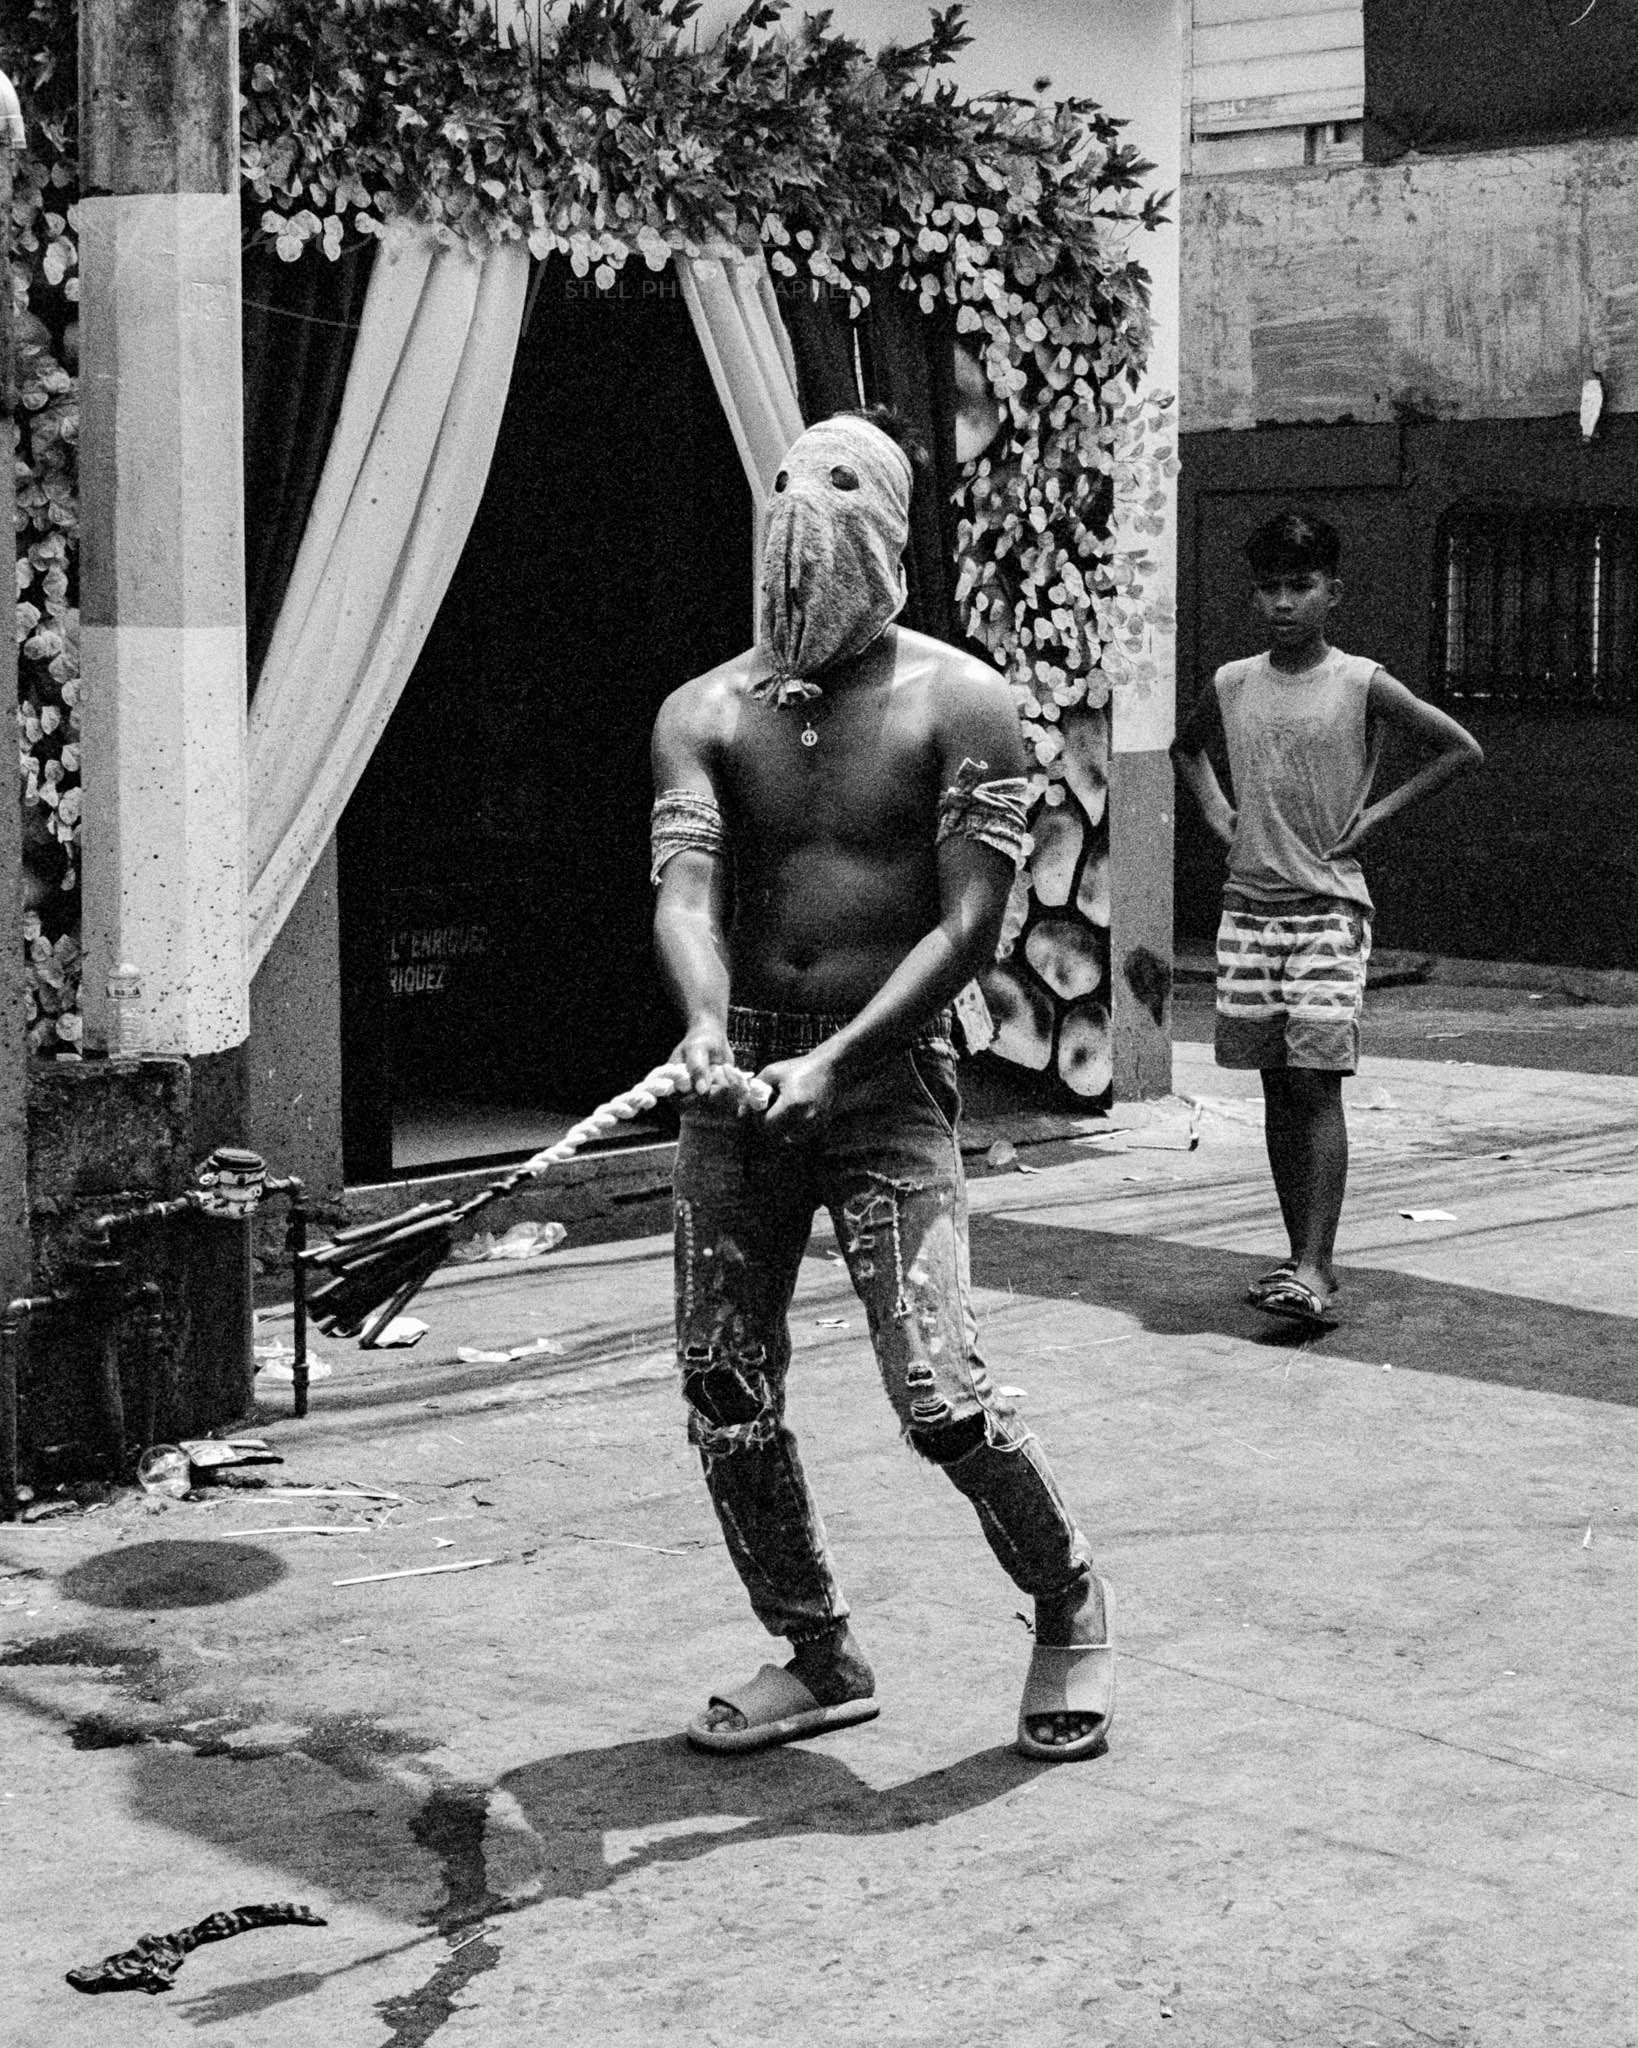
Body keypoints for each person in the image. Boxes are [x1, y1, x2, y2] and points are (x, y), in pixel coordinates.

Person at [650, 408, 1112, 1763]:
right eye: (782, 508)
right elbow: (684, 888)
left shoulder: (959, 702)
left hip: (887, 1075)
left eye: (831, 515)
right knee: (724, 1389)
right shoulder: (703, 711)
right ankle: (817, 1651)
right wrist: (706, 1027)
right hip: (740, 1085)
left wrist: (836, 1059)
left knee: (939, 1393)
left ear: (886, 536)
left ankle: (1067, 1598)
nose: (800, 547)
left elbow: (969, 925)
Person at [1172, 508, 1483, 1329]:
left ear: (1332, 592)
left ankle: (1317, 1264)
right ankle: (1298, 1255)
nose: (1283, 603)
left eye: (1299, 586)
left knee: (1316, 1083)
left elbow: (1460, 748)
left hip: (1328, 910)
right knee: (1277, 1086)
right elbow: (1186, 749)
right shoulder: (1234, 683)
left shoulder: (1361, 681)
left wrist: (1379, 816)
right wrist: (1215, 815)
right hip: (1248, 911)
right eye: (1269, 588)